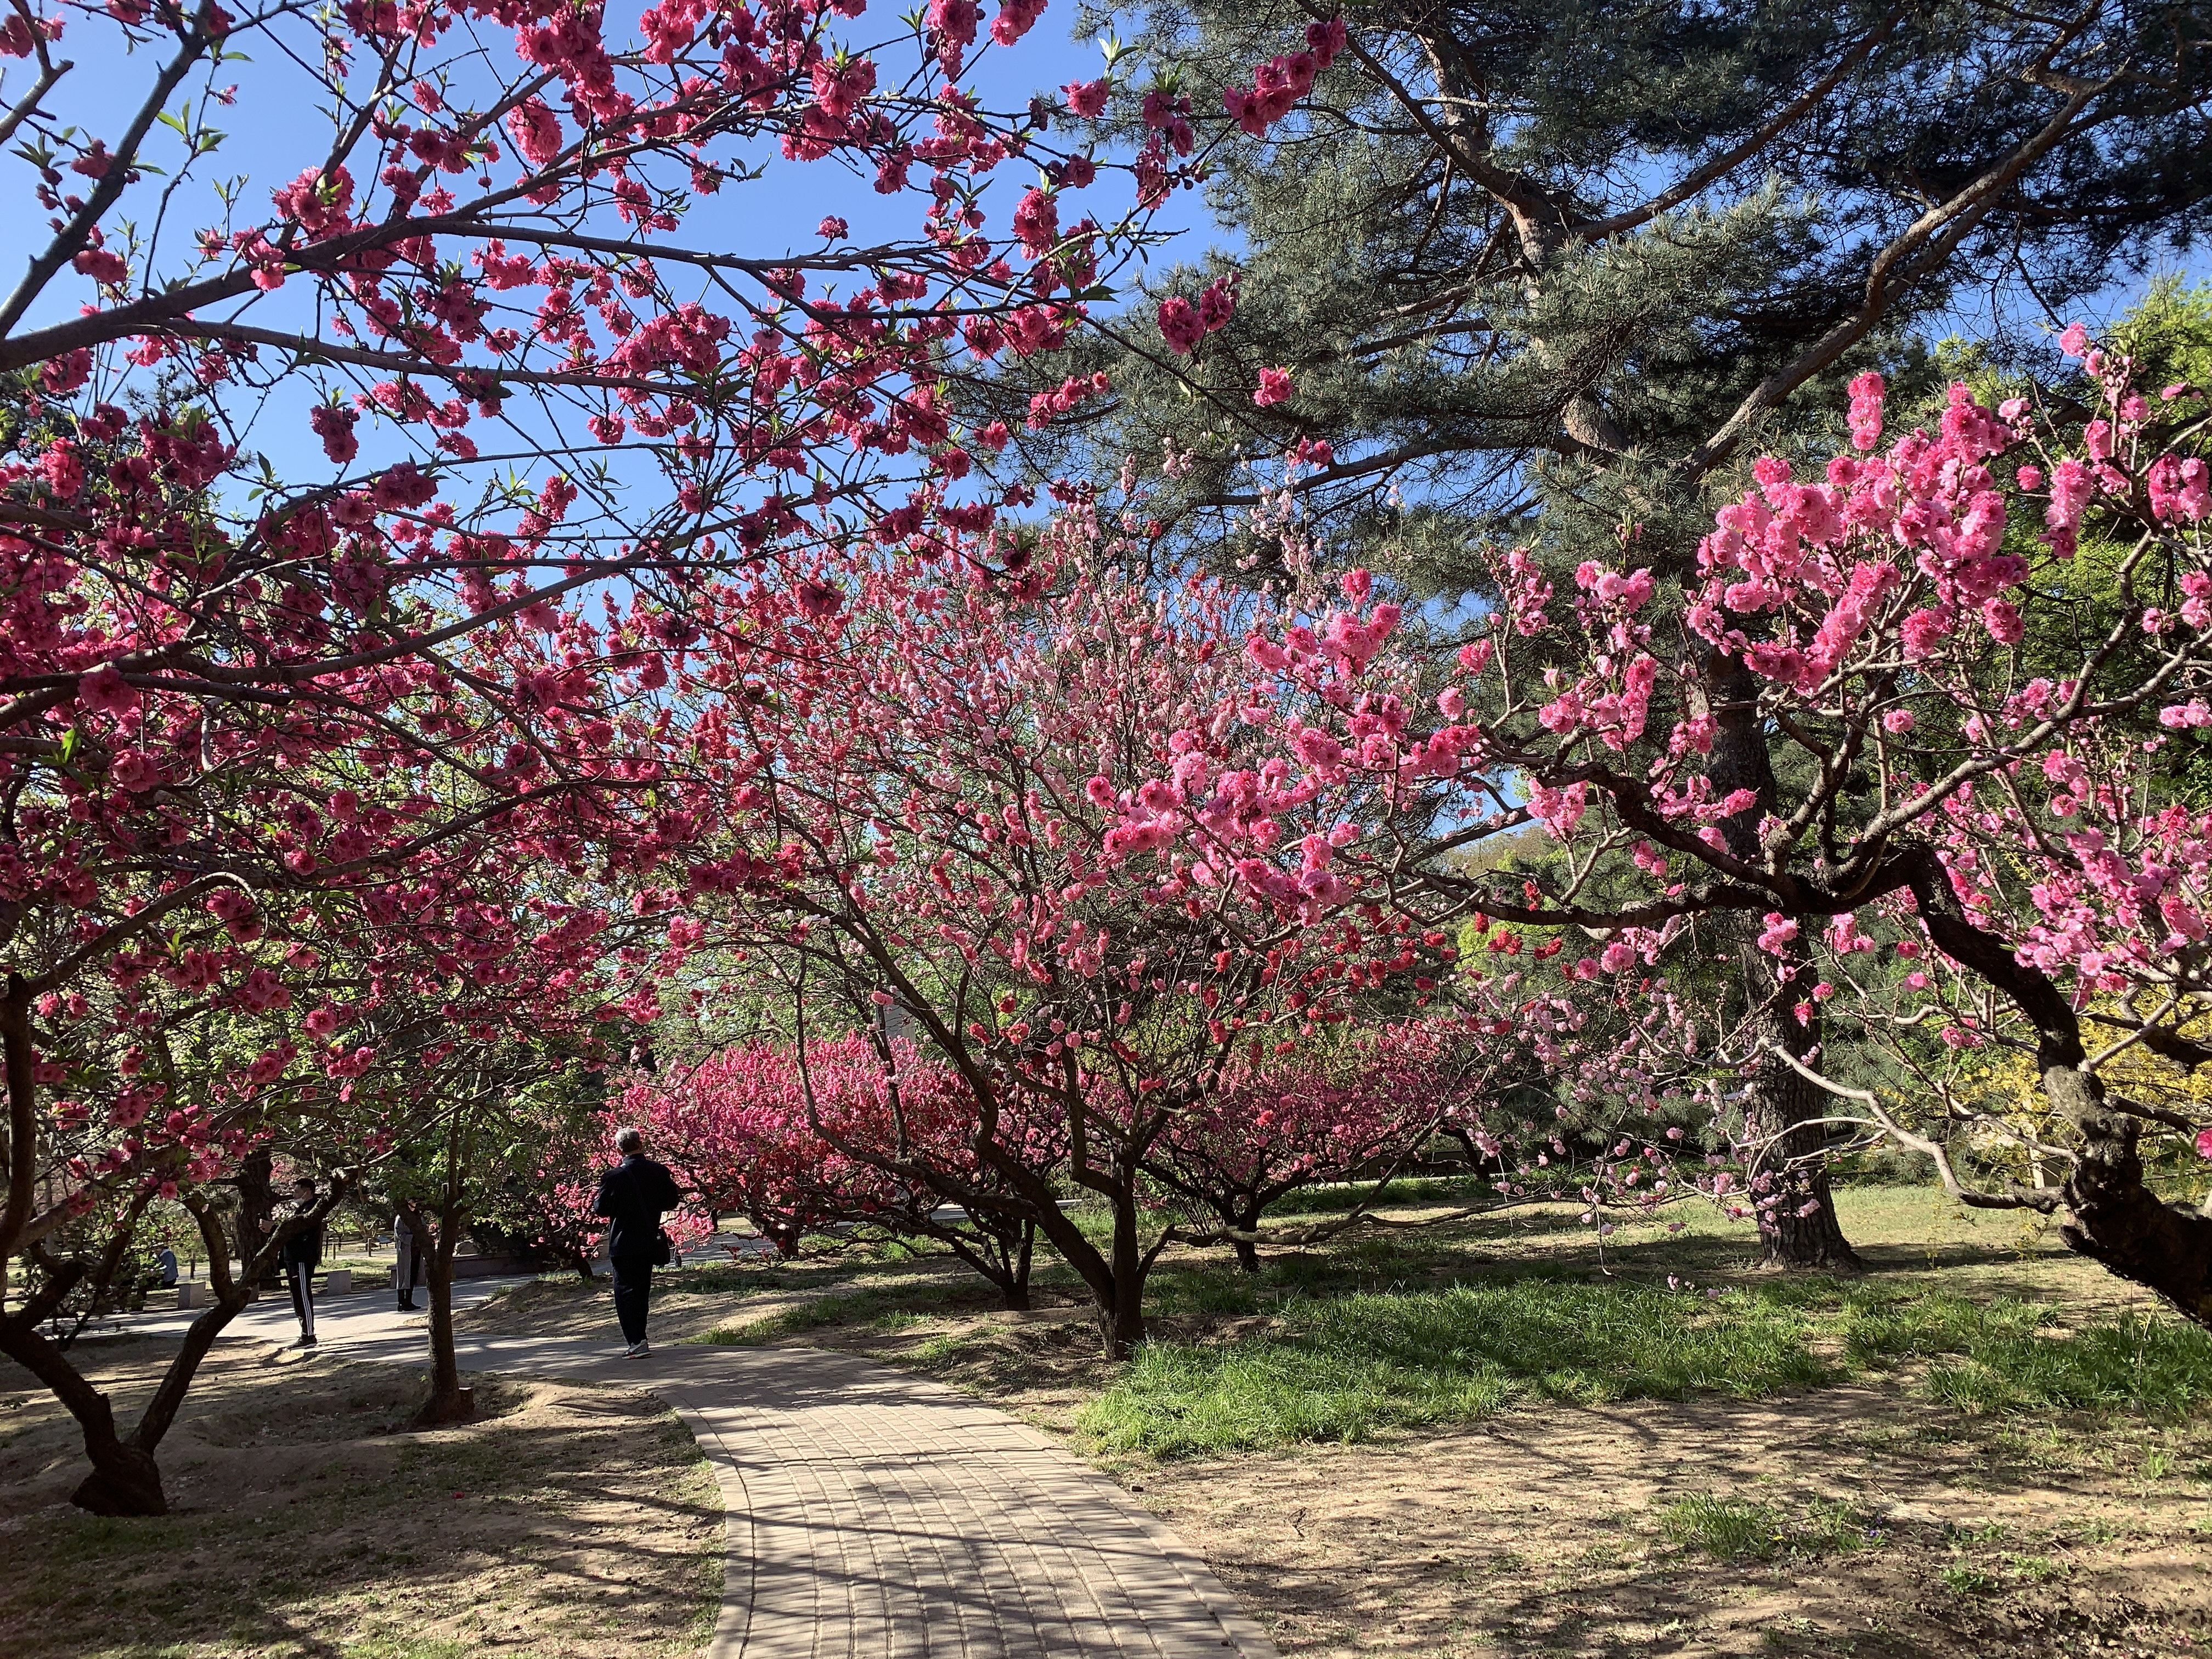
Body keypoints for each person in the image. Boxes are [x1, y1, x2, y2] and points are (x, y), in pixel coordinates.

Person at [592, 1127, 681, 1357]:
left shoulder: (613, 1177)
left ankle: (636, 1341)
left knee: (625, 1292)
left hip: (623, 1244)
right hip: (649, 1240)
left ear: (619, 1149)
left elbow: (601, 1209)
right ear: (641, 1143)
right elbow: (672, 1201)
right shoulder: (659, 1171)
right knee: (642, 1290)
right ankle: (640, 1338)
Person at [261, 1176, 324, 1348]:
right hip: (293, 1259)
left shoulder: (312, 1210)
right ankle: (305, 1333)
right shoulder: (302, 1209)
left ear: (308, 1191)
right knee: (297, 1296)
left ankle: (308, 1335)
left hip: (302, 1259)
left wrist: (274, 1228)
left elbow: (297, 1232)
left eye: (297, 1191)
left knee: (303, 1295)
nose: (293, 1194)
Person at [393, 1209, 425, 1312]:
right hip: (405, 1252)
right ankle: (401, 1302)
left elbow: (424, 1228)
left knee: (412, 1277)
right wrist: (413, 1238)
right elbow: (400, 1234)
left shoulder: (418, 1217)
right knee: (403, 1277)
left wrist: (421, 1237)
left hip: (416, 1252)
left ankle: (409, 1301)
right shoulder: (400, 1219)